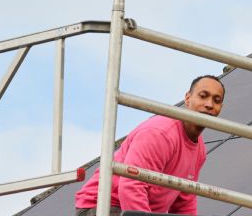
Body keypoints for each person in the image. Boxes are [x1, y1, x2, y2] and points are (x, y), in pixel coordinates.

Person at [73, 75, 227, 215]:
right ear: (187, 98)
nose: (209, 104)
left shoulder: (199, 150)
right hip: (104, 206)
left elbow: (184, 203)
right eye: (203, 96)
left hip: (140, 210)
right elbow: (131, 187)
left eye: (216, 100)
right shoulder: (160, 133)